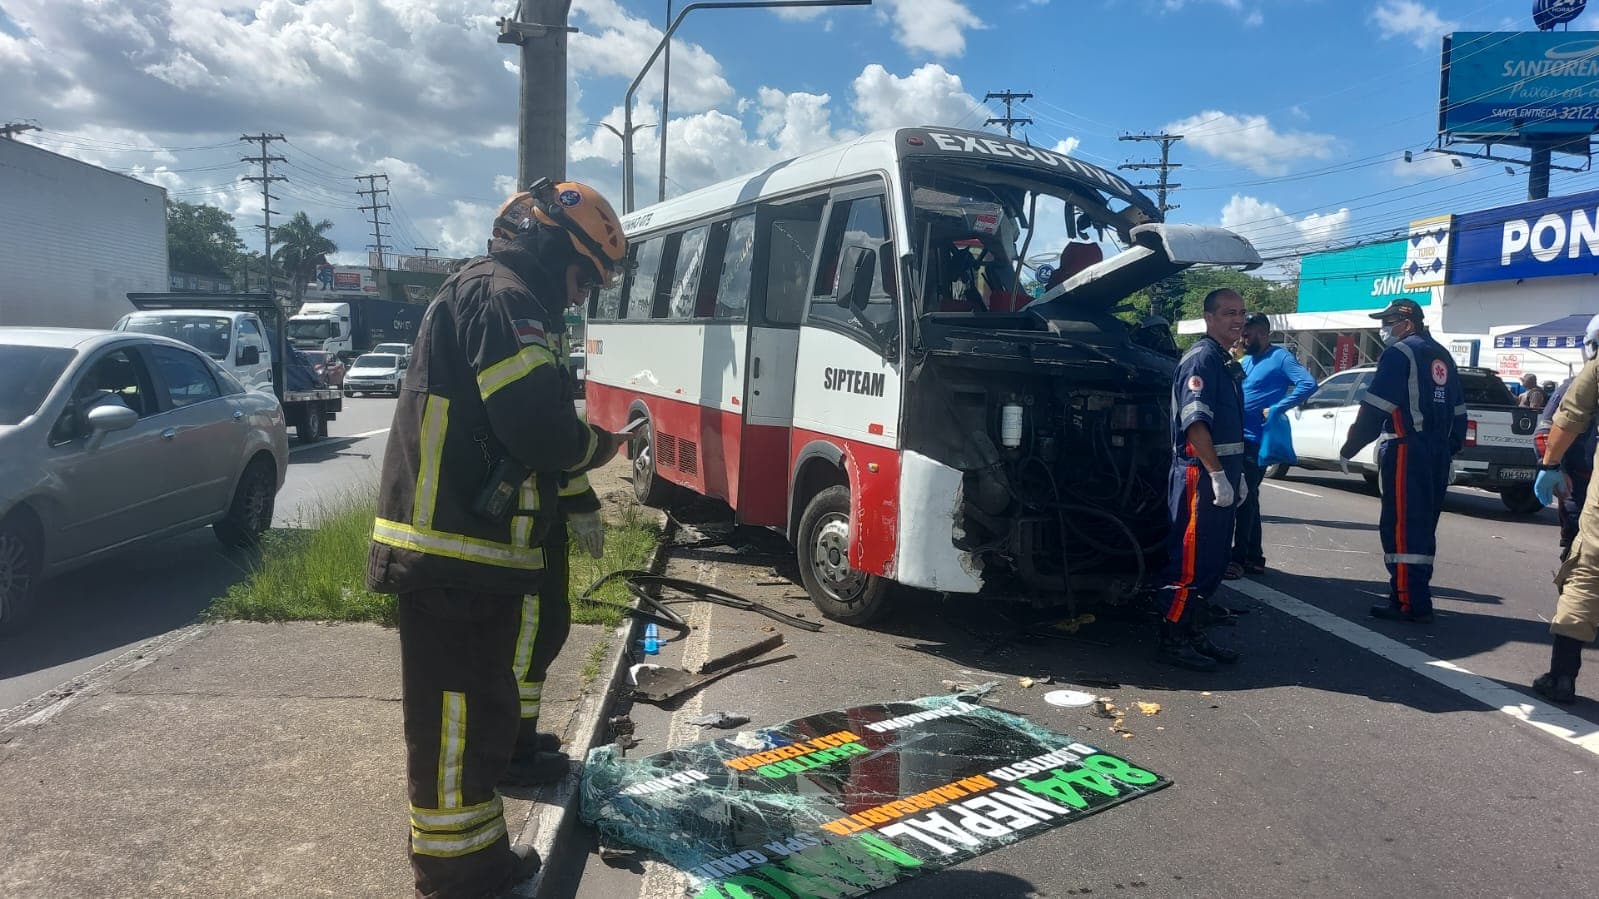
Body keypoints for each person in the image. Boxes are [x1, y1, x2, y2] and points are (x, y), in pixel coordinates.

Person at [365, 179, 626, 899]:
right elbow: (536, 424)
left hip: (470, 551)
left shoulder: (502, 294)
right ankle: (458, 872)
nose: (578, 298)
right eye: (582, 278)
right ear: (550, 246)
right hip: (452, 550)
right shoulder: (503, 296)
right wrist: (598, 449)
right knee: (454, 720)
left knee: (475, 712)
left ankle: (475, 859)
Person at [1338, 299, 1466, 624]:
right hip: (1435, 452)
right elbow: (1460, 412)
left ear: (1407, 324)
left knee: (1401, 527)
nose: (1384, 329)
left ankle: (1408, 602)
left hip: (1407, 449)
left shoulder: (1399, 354)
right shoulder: (1443, 355)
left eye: (1389, 322)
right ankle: (1414, 593)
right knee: (1424, 527)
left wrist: (1351, 447)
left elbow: (1376, 406)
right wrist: (1447, 449)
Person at [1153, 288, 1248, 671]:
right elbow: (1195, 425)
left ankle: (1193, 632)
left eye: (1241, 313)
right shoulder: (1202, 361)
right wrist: (1217, 474)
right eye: (1228, 313)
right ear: (1209, 318)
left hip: (1219, 475)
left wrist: (1233, 476)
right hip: (1199, 475)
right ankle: (1172, 640)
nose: (1238, 320)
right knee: (1189, 563)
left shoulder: (1223, 361)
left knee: (1211, 561)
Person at [1527, 314, 1599, 704]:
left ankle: (1562, 677)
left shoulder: (1585, 376)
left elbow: (1561, 420)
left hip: (1589, 494)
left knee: (1583, 575)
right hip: (1581, 489)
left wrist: (1550, 466)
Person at [1229, 312, 1318, 578]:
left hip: (1255, 440)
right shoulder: (1246, 360)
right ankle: (1255, 557)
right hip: (1238, 437)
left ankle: (1239, 558)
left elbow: (1308, 383)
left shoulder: (1280, 357)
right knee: (1250, 499)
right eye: (1244, 330)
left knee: (1243, 500)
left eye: (1251, 330)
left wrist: (1278, 407)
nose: (1245, 335)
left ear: (1266, 332)